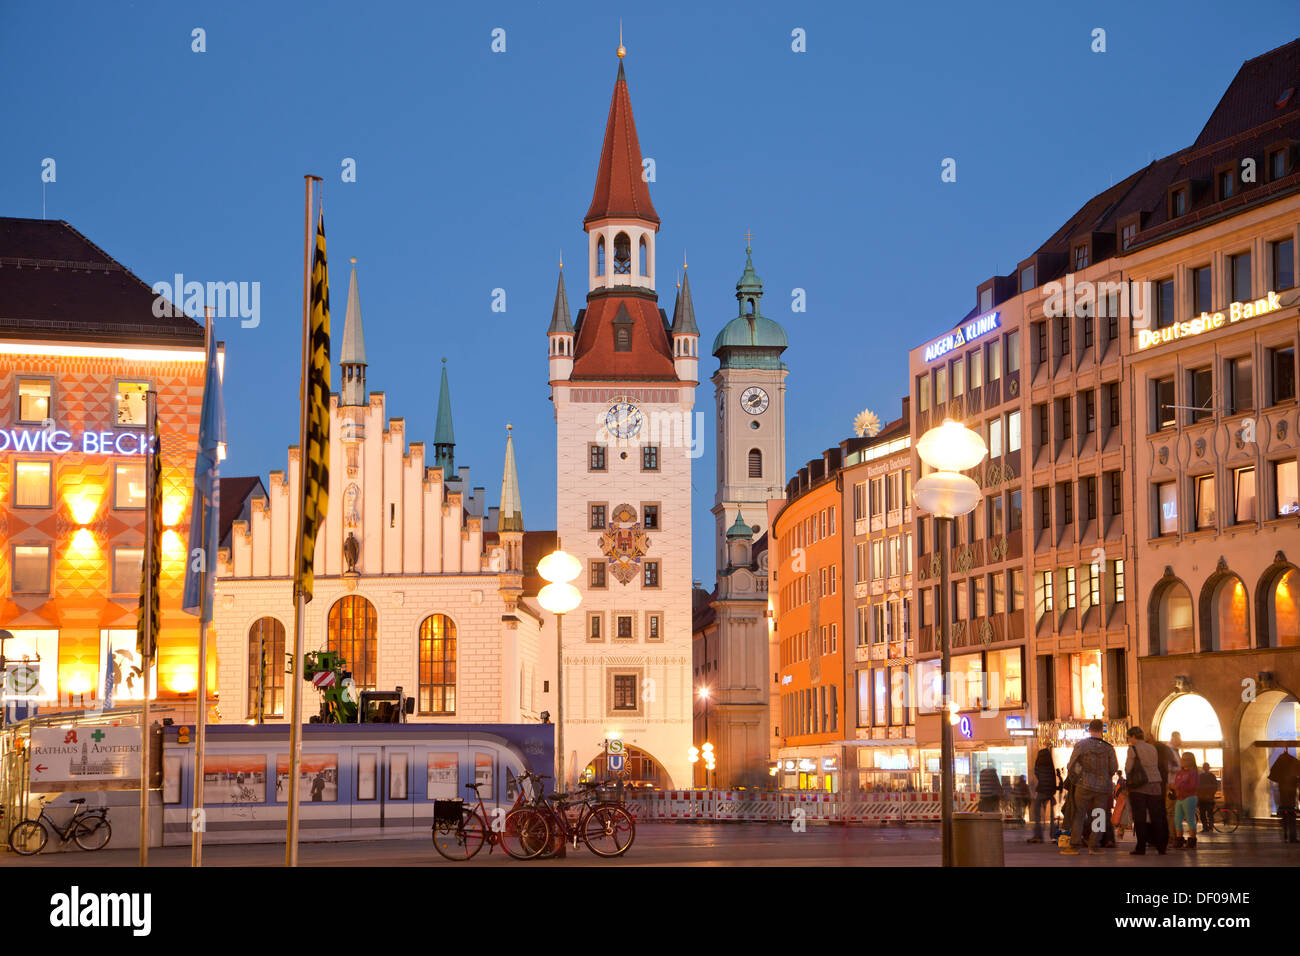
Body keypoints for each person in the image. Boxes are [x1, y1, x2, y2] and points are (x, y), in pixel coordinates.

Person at [1062, 719, 1118, 855]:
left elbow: (1071, 765)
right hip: (1103, 787)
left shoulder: (1081, 745)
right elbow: (1113, 768)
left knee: (1079, 814)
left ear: (1089, 729)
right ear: (1102, 730)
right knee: (1099, 815)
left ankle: (1074, 845)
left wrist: (1079, 776)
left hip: (1083, 785)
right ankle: (1094, 845)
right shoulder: (1109, 748)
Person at [1124, 726, 1168, 855]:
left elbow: (1128, 768)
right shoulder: (1152, 747)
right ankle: (1161, 846)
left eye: (1129, 738)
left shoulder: (1133, 749)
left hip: (1140, 786)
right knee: (1156, 816)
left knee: (1140, 817)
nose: (1129, 740)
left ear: (1133, 736)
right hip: (1155, 785)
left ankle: (1141, 847)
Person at [1268, 749, 1300, 843]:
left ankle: (1286, 837)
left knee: (1285, 819)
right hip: (1290, 799)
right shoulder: (1293, 764)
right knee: (1291, 817)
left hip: (1284, 799)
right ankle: (1292, 837)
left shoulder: (1281, 766)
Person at [1171, 752, 1200, 848]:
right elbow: (1177, 783)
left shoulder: (1193, 773)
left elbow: (1193, 786)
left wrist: (1179, 787)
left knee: (1190, 819)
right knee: (1177, 819)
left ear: (1191, 761)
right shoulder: (1180, 773)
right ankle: (1179, 839)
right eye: (1182, 759)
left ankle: (1192, 839)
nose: (1182, 761)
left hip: (1189, 797)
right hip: (1180, 798)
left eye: (1185, 759)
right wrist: (1174, 789)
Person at [1027, 748, 1055, 844]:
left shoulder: (1038, 765)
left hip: (1042, 791)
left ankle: (1038, 835)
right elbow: (1053, 780)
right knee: (1052, 816)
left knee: (1037, 814)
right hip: (1050, 793)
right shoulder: (1051, 766)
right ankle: (1053, 835)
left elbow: (1037, 775)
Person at [1197, 763, 1219, 833]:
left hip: (1206, 798)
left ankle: (1208, 827)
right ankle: (1208, 827)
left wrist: (1210, 793)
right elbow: (1215, 786)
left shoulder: (1203, 776)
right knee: (1206, 814)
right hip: (1205, 798)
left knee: (1206, 814)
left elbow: (1214, 786)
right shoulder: (1209, 776)